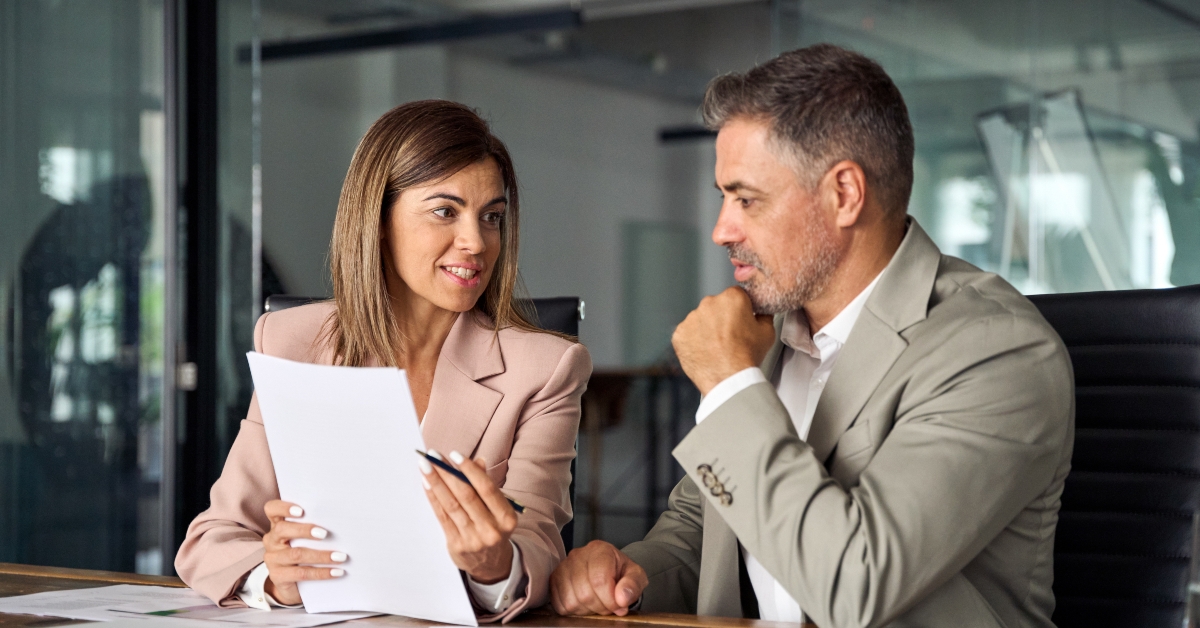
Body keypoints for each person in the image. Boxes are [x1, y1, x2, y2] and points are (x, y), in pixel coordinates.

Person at [550, 44, 1073, 628]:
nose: (723, 229)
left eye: (747, 199)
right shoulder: (768, 335)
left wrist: (728, 384)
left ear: (844, 194)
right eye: (722, 197)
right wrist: (628, 576)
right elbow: (702, 531)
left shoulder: (994, 351)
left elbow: (857, 584)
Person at [176, 100, 591, 623]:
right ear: (378, 219)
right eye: (445, 211)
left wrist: (493, 566)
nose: (476, 242)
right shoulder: (292, 342)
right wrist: (275, 577)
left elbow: (540, 547)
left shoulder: (545, 369)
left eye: (492, 217)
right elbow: (211, 541)